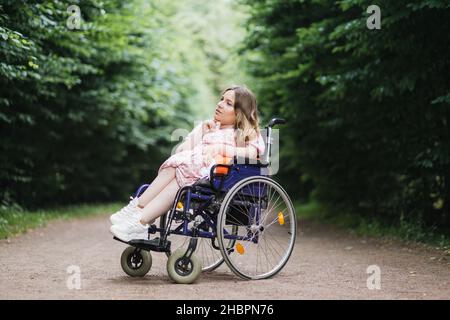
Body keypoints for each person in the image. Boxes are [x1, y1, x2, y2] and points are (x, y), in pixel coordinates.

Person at [109, 85, 265, 241]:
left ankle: (139, 217)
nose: (220, 104)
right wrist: (201, 132)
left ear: (239, 113)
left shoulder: (244, 133)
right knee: (175, 166)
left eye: (228, 103)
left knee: (180, 173)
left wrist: (221, 148)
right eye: (221, 99)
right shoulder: (209, 127)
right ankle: (138, 212)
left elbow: (252, 153)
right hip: (189, 168)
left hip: (215, 177)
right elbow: (181, 151)